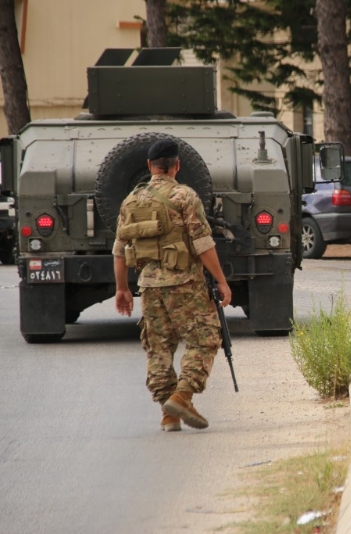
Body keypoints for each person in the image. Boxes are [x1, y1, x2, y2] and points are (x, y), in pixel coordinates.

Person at [113, 139, 232, 431]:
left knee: (159, 347)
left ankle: (169, 415)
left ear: (150, 166)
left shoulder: (130, 201)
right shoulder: (185, 196)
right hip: (184, 283)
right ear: (177, 165)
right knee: (205, 338)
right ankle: (182, 396)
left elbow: (120, 249)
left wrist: (122, 288)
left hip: (149, 286)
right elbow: (202, 243)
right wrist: (221, 280)